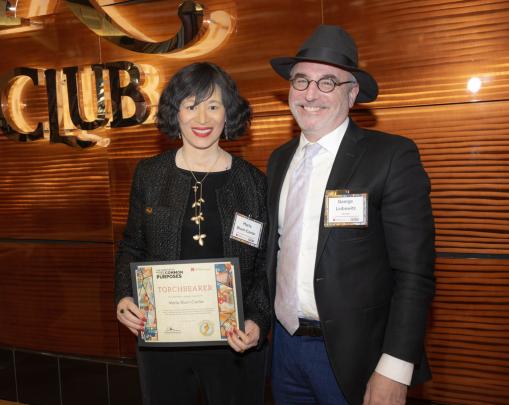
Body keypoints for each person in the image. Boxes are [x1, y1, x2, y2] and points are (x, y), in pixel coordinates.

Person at [266, 25, 435, 405]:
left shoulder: (390, 156)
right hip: (285, 349)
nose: (310, 94)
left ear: (352, 93)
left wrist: (395, 366)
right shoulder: (278, 160)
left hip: (357, 355)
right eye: (301, 80)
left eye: (328, 82)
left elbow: (414, 273)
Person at [114, 62, 270, 405]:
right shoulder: (150, 175)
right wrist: (125, 297)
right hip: (164, 341)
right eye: (191, 105)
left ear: (228, 113)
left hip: (235, 342)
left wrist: (257, 320)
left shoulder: (254, 183)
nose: (203, 118)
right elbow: (132, 245)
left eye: (214, 106)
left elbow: (264, 266)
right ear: (176, 113)